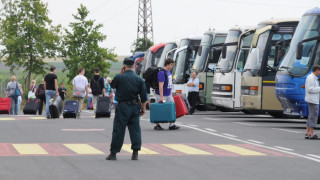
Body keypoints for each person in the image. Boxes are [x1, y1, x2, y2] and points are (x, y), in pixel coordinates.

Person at [106, 57, 147, 161]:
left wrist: (120, 73)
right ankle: (135, 152)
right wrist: (143, 108)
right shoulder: (139, 79)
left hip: (123, 106)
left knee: (119, 130)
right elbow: (143, 97)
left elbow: (112, 86)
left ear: (124, 66)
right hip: (134, 106)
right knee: (135, 129)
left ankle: (113, 153)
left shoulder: (119, 77)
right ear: (133, 66)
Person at [154, 58, 180, 130]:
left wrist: (171, 93)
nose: (172, 66)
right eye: (171, 65)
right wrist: (162, 97)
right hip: (162, 95)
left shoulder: (169, 72)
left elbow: (169, 84)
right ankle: (156, 125)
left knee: (172, 109)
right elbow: (160, 85)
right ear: (167, 64)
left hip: (168, 94)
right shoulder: (162, 72)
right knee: (159, 110)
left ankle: (171, 124)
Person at [304, 65, 320, 139]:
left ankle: (308, 133)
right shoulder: (311, 78)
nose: (319, 73)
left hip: (312, 99)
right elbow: (310, 89)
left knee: (311, 116)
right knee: (313, 116)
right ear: (316, 70)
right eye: (319, 71)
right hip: (312, 100)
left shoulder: (312, 77)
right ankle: (311, 133)